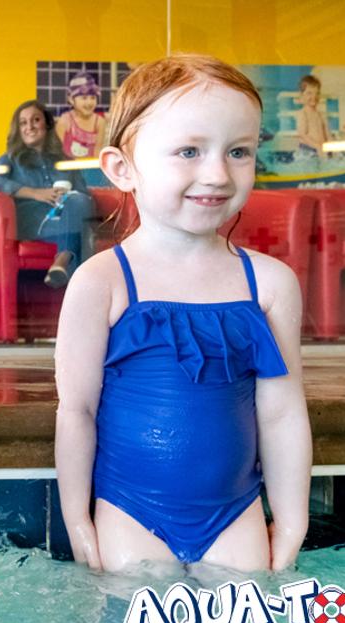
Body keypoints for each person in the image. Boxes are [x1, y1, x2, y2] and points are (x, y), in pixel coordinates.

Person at [54, 54, 311, 574]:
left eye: (238, 151)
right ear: (122, 168)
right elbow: (76, 410)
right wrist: (77, 519)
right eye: (189, 151)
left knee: (243, 622)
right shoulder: (101, 282)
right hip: (131, 511)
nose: (217, 174)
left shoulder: (269, 283)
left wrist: (291, 520)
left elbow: (282, 413)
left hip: (235, 513)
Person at [0, 100, 97, 287]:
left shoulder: (65, 161)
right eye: (23, 123)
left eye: (36, 120)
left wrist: (68, 197)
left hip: (64, 217)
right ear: (18, 129)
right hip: (32, 221)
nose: (30, 127)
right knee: (83, 234)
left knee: (81, 204)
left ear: (47, 124)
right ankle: (66, 264)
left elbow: (84, 196)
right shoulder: (10, 159)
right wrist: (35, 193)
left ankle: (63, 266)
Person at [55, 71, 107, 159]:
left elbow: (97, 152)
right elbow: (57, 153)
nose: (89, 102)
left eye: (93, 98)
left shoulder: (99, 122)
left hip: (90, 166)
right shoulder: (65, 121)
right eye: (84, 98)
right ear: (71, 100)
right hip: (68, 166)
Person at [295, 74, 332, 154]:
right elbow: (302, 134)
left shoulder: (322, 115)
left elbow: (328, 135)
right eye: (309, 93)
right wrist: (317, 146)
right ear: (301, 95)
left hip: (321, 149)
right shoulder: (303, 114)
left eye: (317, 93)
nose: (314, 96)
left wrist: (333, 149)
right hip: (307, 150)